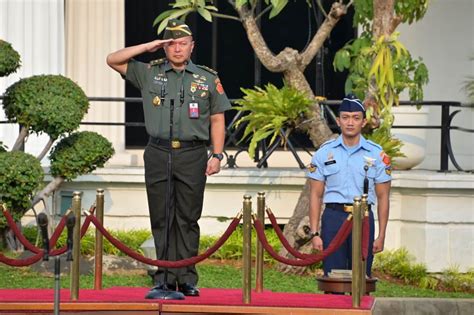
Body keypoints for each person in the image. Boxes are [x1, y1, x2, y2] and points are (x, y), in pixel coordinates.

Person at [106, 19, 231, 296]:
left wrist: (218, 155)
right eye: (171, 43)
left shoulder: (207, 78)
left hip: (193, 153)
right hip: (158, 151)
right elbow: (112, 59)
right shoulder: (149, 73)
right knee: (161, 215)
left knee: (188, 217)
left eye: (182, 43)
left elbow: (218, 118)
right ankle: (162, 276)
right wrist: (148, 46)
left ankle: (186, 277)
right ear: (164, 47)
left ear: (191, 46)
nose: (177, 49)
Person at [307, 96, 391, 279]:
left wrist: (382, 235)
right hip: (333, 218)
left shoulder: (376, 154)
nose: (350, 122)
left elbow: (384, 197)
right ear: (338, 121)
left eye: (355, 117)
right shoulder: (324, 153)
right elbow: (315, 195)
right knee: (333, 278)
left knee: (361, 278)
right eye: (345, 117)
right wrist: (314, 232)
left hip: (363, 217)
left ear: (364, 121)